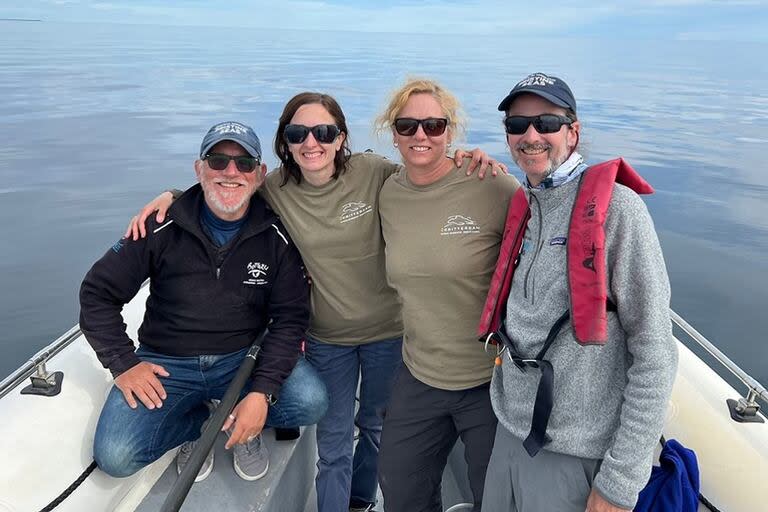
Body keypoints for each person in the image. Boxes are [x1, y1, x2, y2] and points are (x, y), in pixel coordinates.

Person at [125, 94, 504, 512]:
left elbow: (426, 172)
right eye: (297, 133)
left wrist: (469, 159)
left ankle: (361, 500)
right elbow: (228, 188)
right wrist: (174, 195)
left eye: (324, 132)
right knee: (334, 441)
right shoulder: (276, 190)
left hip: (390, 333)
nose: (312, 142)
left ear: (341, 139)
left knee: (375, 427)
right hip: (328, 337)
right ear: (284, 143)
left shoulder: (374, 172)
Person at [79, 121, 328, 484]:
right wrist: (123, 363)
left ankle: (242, 417)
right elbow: (97, 293)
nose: (231, 172)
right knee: (116, 455)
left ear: (259, 175)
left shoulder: (276, 236)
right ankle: (200, 424)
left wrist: (262, 392)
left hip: (240, 361)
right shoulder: (158, 225)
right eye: (218, 160)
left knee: (311, 400)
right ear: (199, 169)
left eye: (244, 163)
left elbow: (290, 319)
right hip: (167, 363)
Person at [477, 73, 678, 512]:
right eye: (517, 125)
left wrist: (620, 482)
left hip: (576, 454)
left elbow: (656, 354)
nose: (531, 136)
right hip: (511, 434)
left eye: (547, 122)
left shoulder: (619, 211)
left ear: (573, 132)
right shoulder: (525, 203)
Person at [374, 78, 520, 512]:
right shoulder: (387, 193)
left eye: (434, 125)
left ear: (450, 131)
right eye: (408, 126)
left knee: (495, 499)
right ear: (393, 133)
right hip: (419, 375)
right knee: (400, 492)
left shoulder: (492, 185)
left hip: (488, 382)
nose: (421, 135)